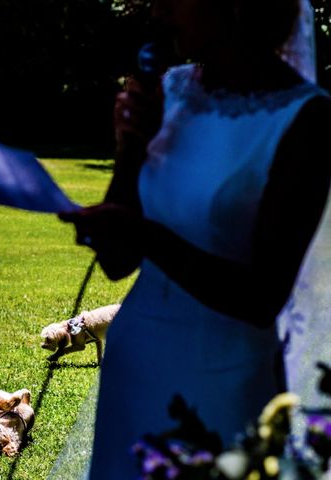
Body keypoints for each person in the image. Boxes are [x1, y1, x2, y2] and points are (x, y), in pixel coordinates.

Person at [59, 0, 331, 477]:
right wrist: (130, 148)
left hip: (221, 382)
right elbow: (117, 262)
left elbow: (262, 296)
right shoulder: (171, 90)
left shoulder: (305, 118)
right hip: (134, 364)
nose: (161, 14)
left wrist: (147, 236)